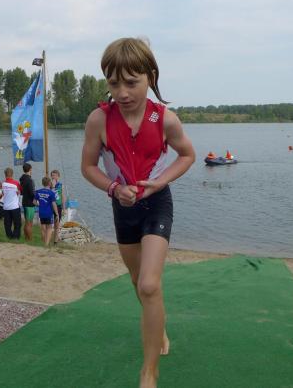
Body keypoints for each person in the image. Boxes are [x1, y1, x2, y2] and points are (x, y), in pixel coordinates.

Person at [81, 37, 195, 388]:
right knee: (137, 282)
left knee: (148, 284)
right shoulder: (99, 120)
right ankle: (158, 327)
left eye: (132, 82)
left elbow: (188, 155)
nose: (122, 92)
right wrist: (114, 189)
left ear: (150, 77)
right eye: (114, 83)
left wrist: (160, 182)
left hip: (156, 204)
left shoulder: (166, 120)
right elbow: (88, 167)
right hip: (123, 207)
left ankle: (149, 372)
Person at [35, 177, 59, 247]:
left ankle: (44, 242)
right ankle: (46, 244)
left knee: (43, 228)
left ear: (42, 183)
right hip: (48, 213)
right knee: (49, 228)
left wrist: (39, 205)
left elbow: (34, 202)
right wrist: (57, 214)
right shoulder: (51, 193)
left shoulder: (38, 191)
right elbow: (54, 204)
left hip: (41, 212)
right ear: (49, 183)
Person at [0, 167, 22, 240]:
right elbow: (19, 192)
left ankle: (9, 236)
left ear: (5, 174)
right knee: (17, 223)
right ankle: (15, 237)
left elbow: (2, 193)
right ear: (12, 174)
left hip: (6, 207)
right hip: (14, 206)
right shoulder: (16, 183)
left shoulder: (3, 184)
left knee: (7, 224)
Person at [19, 163, 36, 242]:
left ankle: (26, 238)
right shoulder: (29, 180)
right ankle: (30, 239)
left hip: (24, 201)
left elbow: (22, 192)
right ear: (30, 169)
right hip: (29, 203)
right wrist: (36, 198)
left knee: (27, 222)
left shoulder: (22, 179)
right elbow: (32, 193)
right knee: (29, 222)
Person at [50, 169, 68, 242]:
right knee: (49, 224)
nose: (53, 177)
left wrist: (64, 208)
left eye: (55, 175)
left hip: (58, 206)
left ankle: (55, 241)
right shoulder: (49, 185)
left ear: (58, 176)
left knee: (57, 224)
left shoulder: (61, 185)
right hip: (50, 206)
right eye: (52, 175)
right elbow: (49, 194)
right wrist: (53, 186)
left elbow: (63, 197)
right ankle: (48, 239)